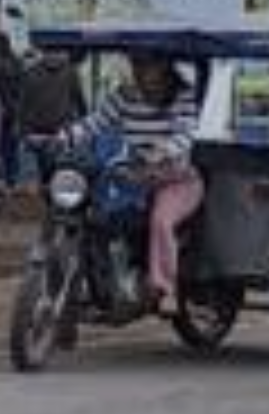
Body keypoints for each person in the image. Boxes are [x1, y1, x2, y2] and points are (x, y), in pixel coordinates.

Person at [64, 53, 203, 312]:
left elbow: (187, 133)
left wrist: (165, 150)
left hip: (176, 180)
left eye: (146, 63)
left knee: (160, 221)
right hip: (136, 177)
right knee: (98, 216)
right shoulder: (125, 96)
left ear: (163, 65)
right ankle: (99, 281)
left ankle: (165, 288)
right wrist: (64, 137)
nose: (139, 70)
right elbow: (95, 123)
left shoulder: (182, 95)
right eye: (136, 63)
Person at [13, 46, 87, 185]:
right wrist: (82, 124)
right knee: (59, 179)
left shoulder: (31, 72)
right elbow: (80, 102)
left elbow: (22, 105)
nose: (53, 57)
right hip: (57, 134)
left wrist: (21, 130)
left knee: (32, 181)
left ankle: (36, 202)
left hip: (36, 134)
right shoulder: (70, 72)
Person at [0, 32, 26, 185]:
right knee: (11, 147)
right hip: (14, 110)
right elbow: (22, 86)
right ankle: (11, 179)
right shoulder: (16, 61)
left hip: (1, 110)